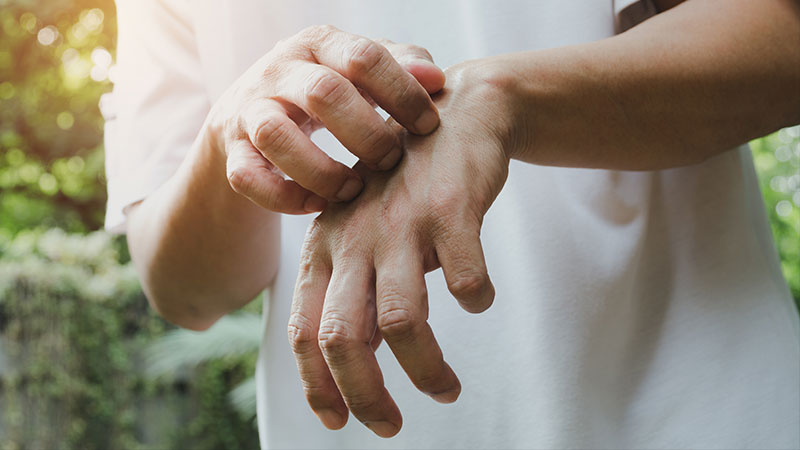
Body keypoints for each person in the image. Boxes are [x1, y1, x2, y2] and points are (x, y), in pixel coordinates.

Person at [103, 0, 800, 448]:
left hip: (691, 416)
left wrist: (495, 99)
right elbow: (184, 289)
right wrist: (231, 134)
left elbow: (780, 38)